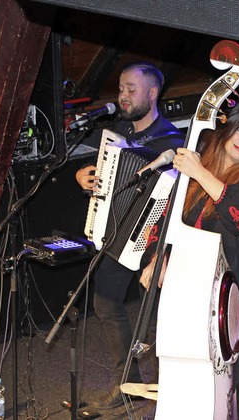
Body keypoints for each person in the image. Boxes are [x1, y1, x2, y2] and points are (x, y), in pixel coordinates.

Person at [139, 102, 239, 419]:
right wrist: (157, 259)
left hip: (237, 299)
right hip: (192, 293)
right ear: (227, 128)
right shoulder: (193, 175)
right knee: (189, 383)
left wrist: (199, 172)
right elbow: (164, 225)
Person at [75, 61, 185, 410]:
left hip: (158, 239)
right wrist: (84, 177)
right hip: (122, 233)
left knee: (163, 314)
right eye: (121, 88)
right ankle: (129, 382)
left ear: (152, 94)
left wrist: (163, 251)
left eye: (131, 89)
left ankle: (177, 384)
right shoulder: (121, 136)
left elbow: (178, 199)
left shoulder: (171, 141)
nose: (122, 95)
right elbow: (108, 183)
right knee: (105, 299)